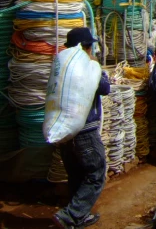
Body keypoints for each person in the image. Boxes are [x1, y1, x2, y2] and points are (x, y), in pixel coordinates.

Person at [52, 28, 110, 229]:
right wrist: (95, 65)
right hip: (85, 133)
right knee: (96, 174)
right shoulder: (87, 67)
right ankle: (70, 215)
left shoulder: (61, 66)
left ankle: (79, 216)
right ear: (85, 47)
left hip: (65, 133)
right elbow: (105, 88)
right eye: (89, 46)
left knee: (76, 174)